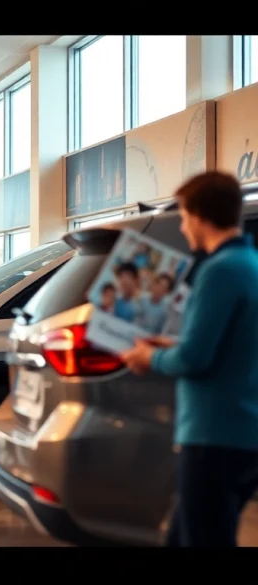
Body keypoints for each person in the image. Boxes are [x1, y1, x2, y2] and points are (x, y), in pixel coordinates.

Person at [120, 170, 258, 548]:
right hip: (241, 432)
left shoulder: (219, 271)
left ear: (198, 215)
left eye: (182, 216)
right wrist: (169, 344)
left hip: (213, 436)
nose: (182, 227)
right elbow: (228, 345)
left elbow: (196, 358)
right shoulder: (250, 266)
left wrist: (149, 358)